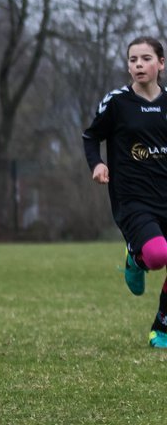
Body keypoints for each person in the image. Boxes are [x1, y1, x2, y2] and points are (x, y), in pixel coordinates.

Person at [82, 36, 167, 348]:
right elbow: (91, 137)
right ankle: (136, 256)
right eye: (133, 60)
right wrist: (97, 164)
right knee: (158, 255)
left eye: (145, 59)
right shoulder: (117, 103)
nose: (138, 65)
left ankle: (162, 327)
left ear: (161, 63)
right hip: (133, 198)